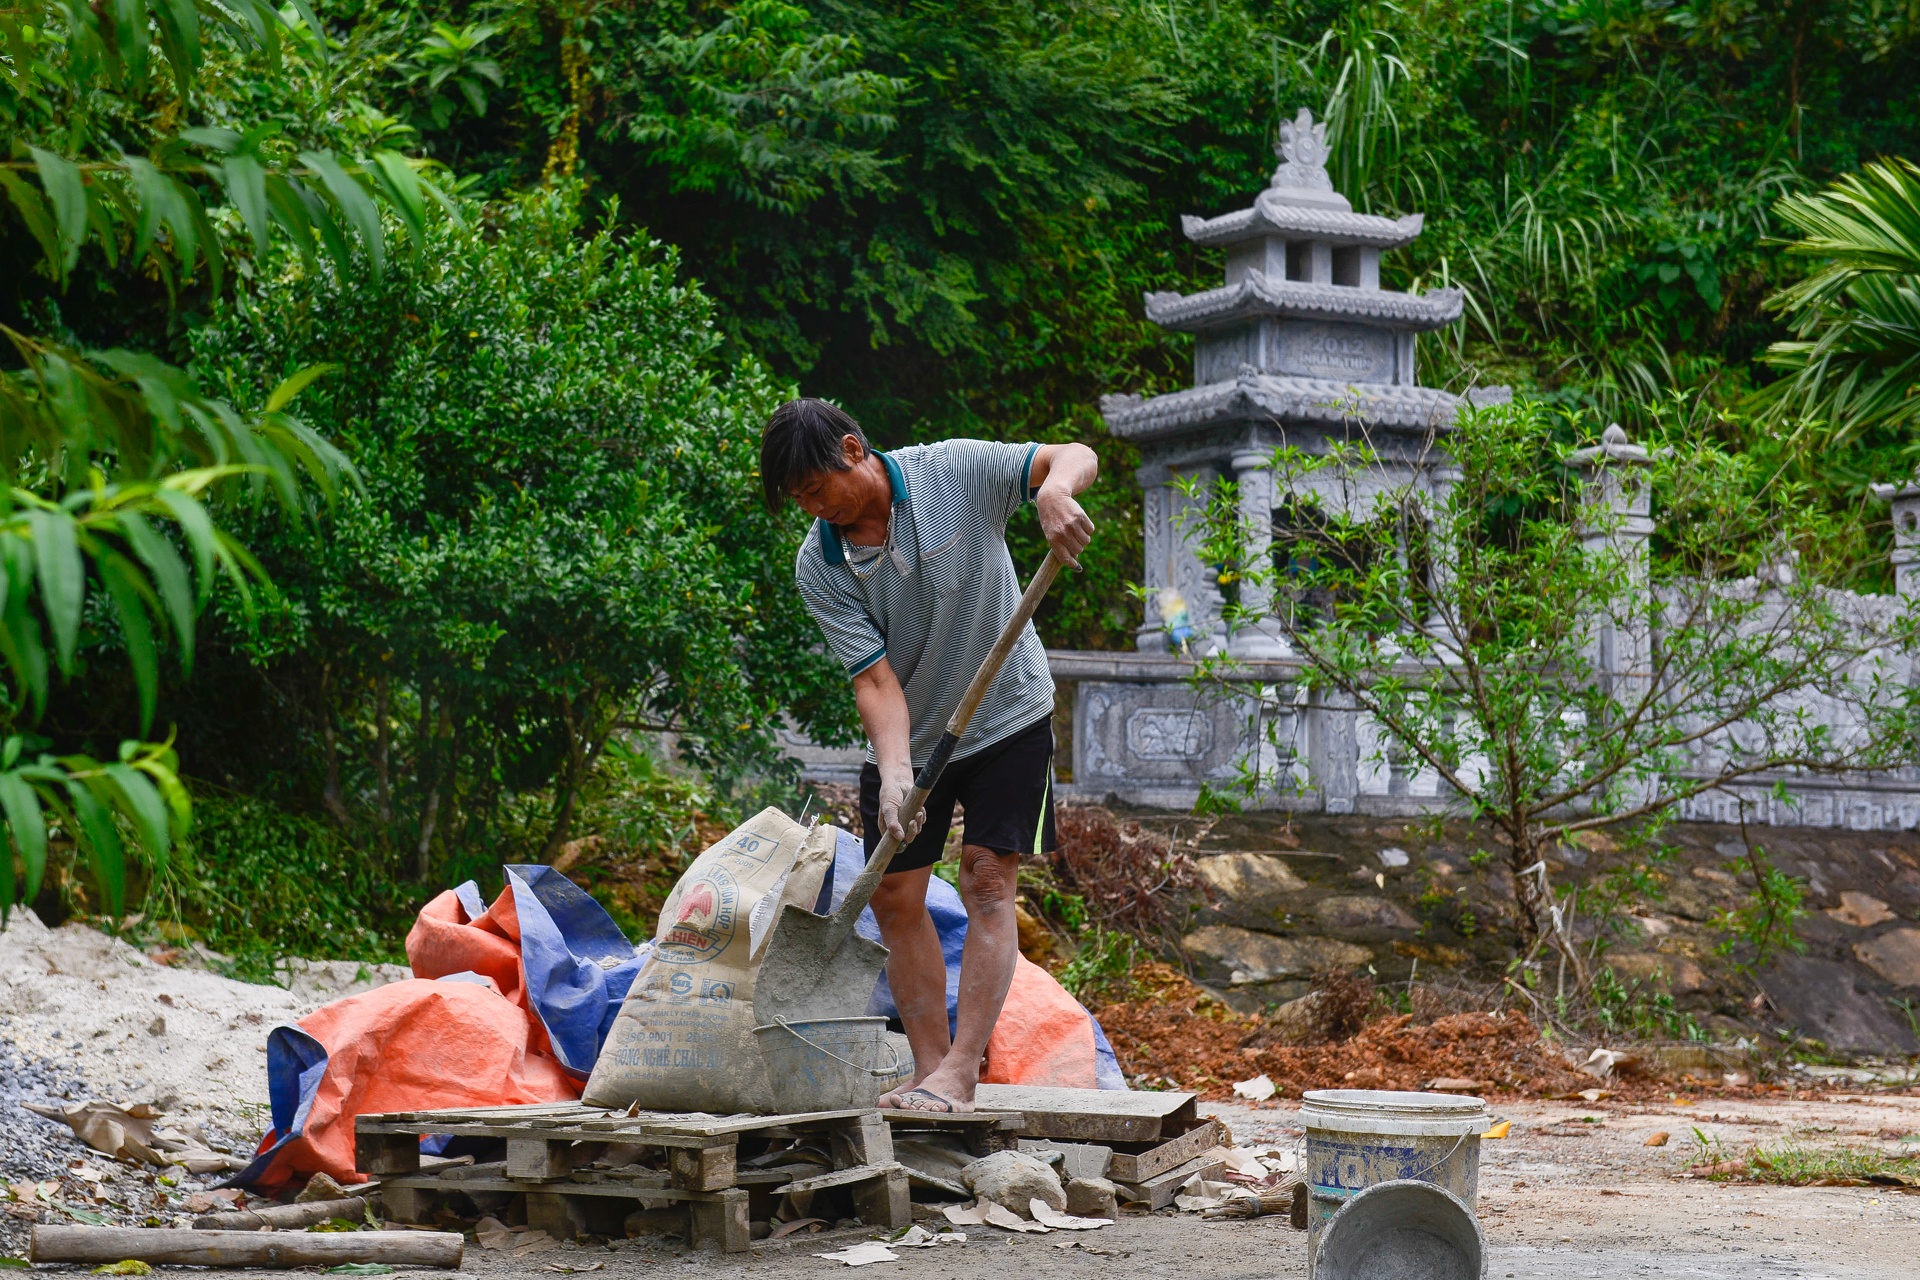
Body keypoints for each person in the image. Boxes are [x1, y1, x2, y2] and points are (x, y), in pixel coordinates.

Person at [761, 398, 1098, 1114]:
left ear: (853, 450)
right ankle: (927, 1068)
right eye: (799, 500)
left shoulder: (954, 471)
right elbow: (875, 681)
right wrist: (895, 776)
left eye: (817, 489)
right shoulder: (820, 564)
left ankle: (962, 1072)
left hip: (1009, 714)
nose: (814, 509)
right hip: (913, 739)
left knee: (986, 882)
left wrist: (1056, 493)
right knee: (894, 895)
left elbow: (1071, 453)